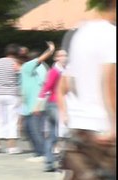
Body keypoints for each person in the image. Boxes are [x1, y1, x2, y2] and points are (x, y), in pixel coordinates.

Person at [57, 0, 116, 179]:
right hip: (103, 129)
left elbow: (67, 82)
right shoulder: (111, 36)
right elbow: (110, 83)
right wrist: (114, 124)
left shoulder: (81, 34)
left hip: (81, 127)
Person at [20, 41, 55, 162]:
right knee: (28, 129)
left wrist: (50, 50)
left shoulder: (28, 67)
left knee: (35, 130)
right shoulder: (38, 70)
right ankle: (38, 152)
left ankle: (43, 153)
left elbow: (40, 59)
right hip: (30, 105)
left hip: (36, 105)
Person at [34, 49, 67, 172]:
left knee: (53, 135)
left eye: (65, 55)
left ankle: (49, 163)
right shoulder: (55, 71)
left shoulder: (64, 70)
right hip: (55, 104)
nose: (64, 57)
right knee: (63, 133)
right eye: (61, 55)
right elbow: (46, 87)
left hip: (55, 104)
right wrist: (38, 104)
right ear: (56, 58)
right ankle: (62, 162)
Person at [0, 44, 23, 154]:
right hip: (12, 94)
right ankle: (11, 146)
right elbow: (21, 76)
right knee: (12, 120)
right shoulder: (17, 63)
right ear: (17, 53)